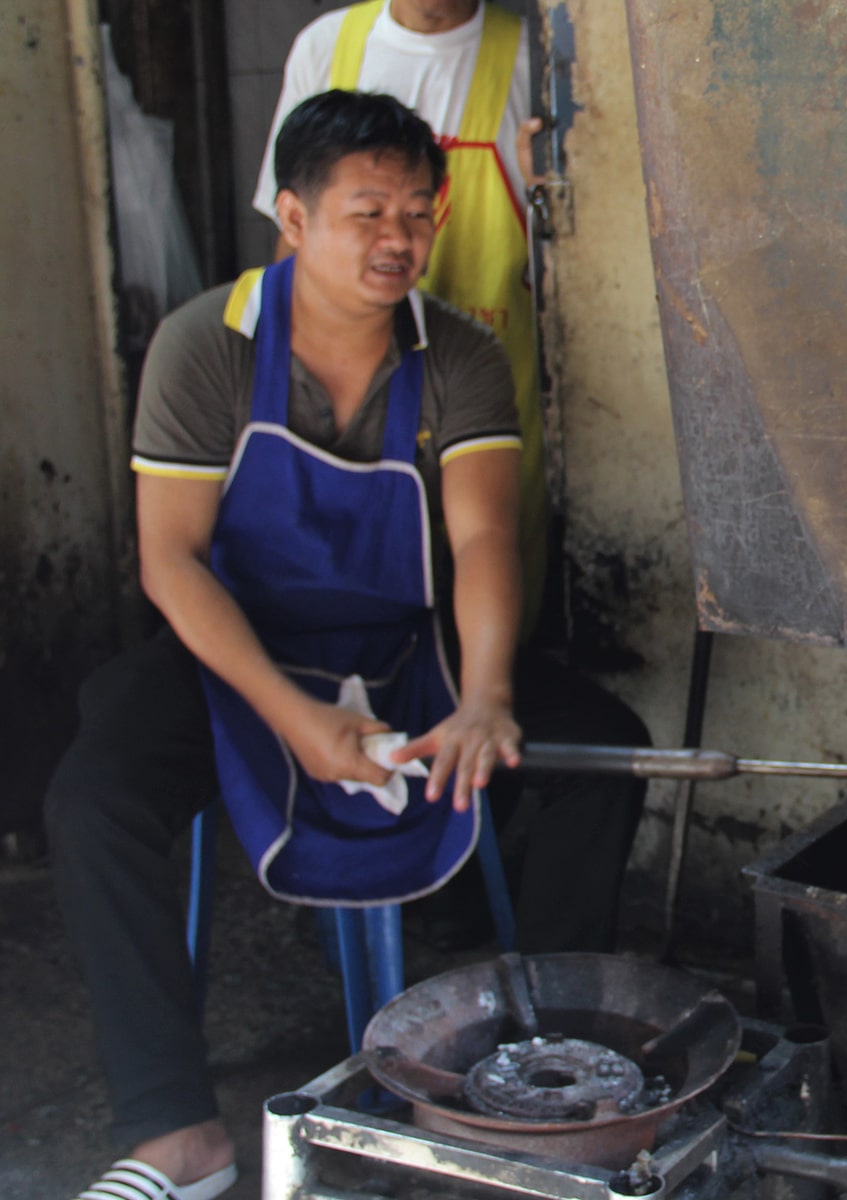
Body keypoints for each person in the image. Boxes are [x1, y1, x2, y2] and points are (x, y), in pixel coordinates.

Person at [47, 92, 645, 1200]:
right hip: (241, 657)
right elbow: (171, 562)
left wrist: (486, 695)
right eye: (366, 211)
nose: (397, 240)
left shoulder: (455, 354)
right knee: (96, 798)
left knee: (597, 754)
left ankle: (535, 1088)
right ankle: (176, 1132)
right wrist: (291, 714)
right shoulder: (204, 348)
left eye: (417, 212)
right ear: (291, 218)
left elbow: (478, 537)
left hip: (405, 644)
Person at [253, 0, 551, 631]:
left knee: (481, 581)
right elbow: (292, 243)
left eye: (416, 210)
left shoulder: (538, 56)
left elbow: (579, 251)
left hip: (483, 394)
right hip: (344, 395)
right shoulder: (326, 47)